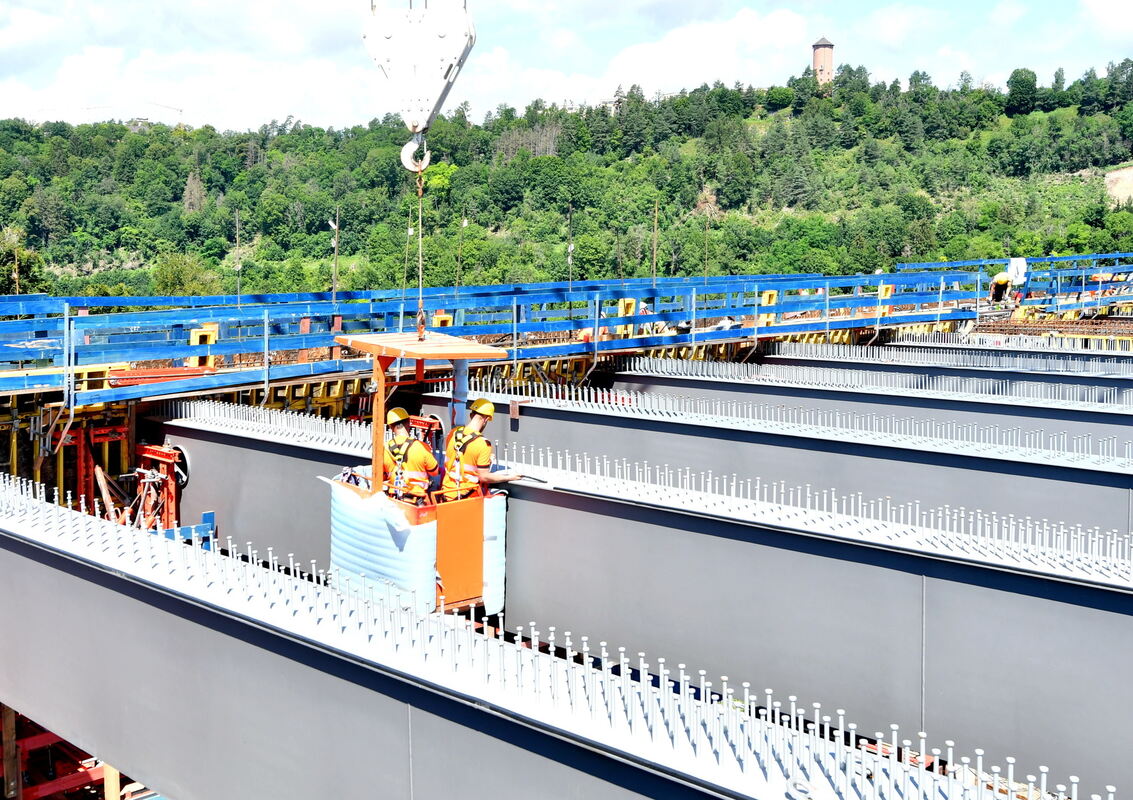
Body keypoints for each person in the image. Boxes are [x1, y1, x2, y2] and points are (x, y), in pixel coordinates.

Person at [440, 398, 522, 501]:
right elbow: (484, 477)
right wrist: (509, 477)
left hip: (445, 494)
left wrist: (486, 460)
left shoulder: (453, 433)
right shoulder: (483, 444)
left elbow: (458, 458)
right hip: (466, 498)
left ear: (471, 415)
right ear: (486, 419)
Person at [382, 408, 439, 505]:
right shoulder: (421, 447)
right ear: (408, 422)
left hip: (394, 500)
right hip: (417, 500)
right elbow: (434, 472)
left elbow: (381, 476)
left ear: (391, 427)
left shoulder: (384, 449)